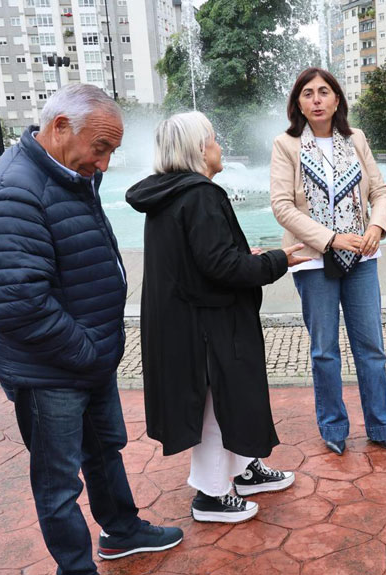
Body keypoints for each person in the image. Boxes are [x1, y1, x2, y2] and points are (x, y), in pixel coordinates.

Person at [0, 83, 183, 574]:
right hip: (49, 370)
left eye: (112, 150)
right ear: (61, 127)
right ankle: (76, 567)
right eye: (101, 147)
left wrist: (95, 353)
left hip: (86, 359)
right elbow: (20, 305)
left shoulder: (65, 174)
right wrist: (89, 351)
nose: (105, 163)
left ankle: (122, 531)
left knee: (104, 450)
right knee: (59, 482)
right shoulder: (13, 191)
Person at [126, 111, 306, 524]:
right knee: (212, 402)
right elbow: (221, 267)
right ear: (198, 149)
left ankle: (243, 468)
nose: (220, 146)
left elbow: (204, 260)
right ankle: (210, 493)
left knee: (227, 396)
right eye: (214, 139)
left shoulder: (171, 194)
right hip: (204, 325)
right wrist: (277, 260)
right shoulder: (201, 194)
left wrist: (246, 259)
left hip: (189, 319)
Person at [270, 68, 386, 455]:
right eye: (307, 94)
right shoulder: (286, 144)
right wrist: (329, 239)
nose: (316, 99)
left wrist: (377, 226)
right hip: (313, 261)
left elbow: (379, 191)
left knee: (371, 347)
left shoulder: (355, 139)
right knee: (324, 350)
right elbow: (281, 206)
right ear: (298, 103)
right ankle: (333, 426)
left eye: (323, 92)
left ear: (337, 99)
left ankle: (380, 425)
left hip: (362, 256)